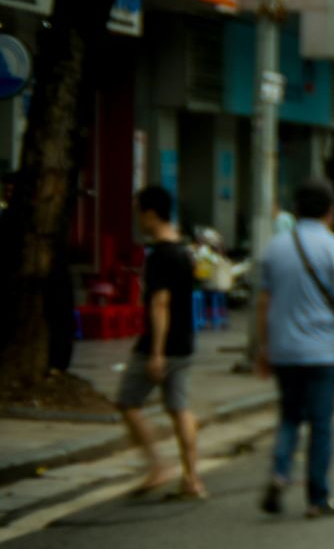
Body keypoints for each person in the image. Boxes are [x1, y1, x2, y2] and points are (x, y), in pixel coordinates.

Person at [254, 179, 334, 518]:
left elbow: (264, 302)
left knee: (289, 415)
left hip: (284, 350)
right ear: (331, 211)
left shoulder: (275, 247)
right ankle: (317, 497)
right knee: (321, 424)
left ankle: (280, 472)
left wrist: (264, 348)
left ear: (296, 208)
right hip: (321, 352)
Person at [117, 186, 206, 501]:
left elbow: (160, 304)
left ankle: (157, 464)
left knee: (127, 401)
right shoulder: (184, 251)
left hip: (160, 345)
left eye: (139, 212)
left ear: (151, 213)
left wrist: (155, 352)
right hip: (185, 342)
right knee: (180, 409)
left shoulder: (159, 256)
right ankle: (192, 478)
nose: (137, 219)